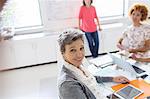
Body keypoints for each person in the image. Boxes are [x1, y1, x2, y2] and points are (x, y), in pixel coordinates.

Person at [58, 28, 129, 99]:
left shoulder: (77, 66)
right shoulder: (68, 85)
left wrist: (113, 79)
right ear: (63, 53)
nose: (79, 55)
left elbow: (89, 78)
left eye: (81, 48)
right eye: (72, 50)